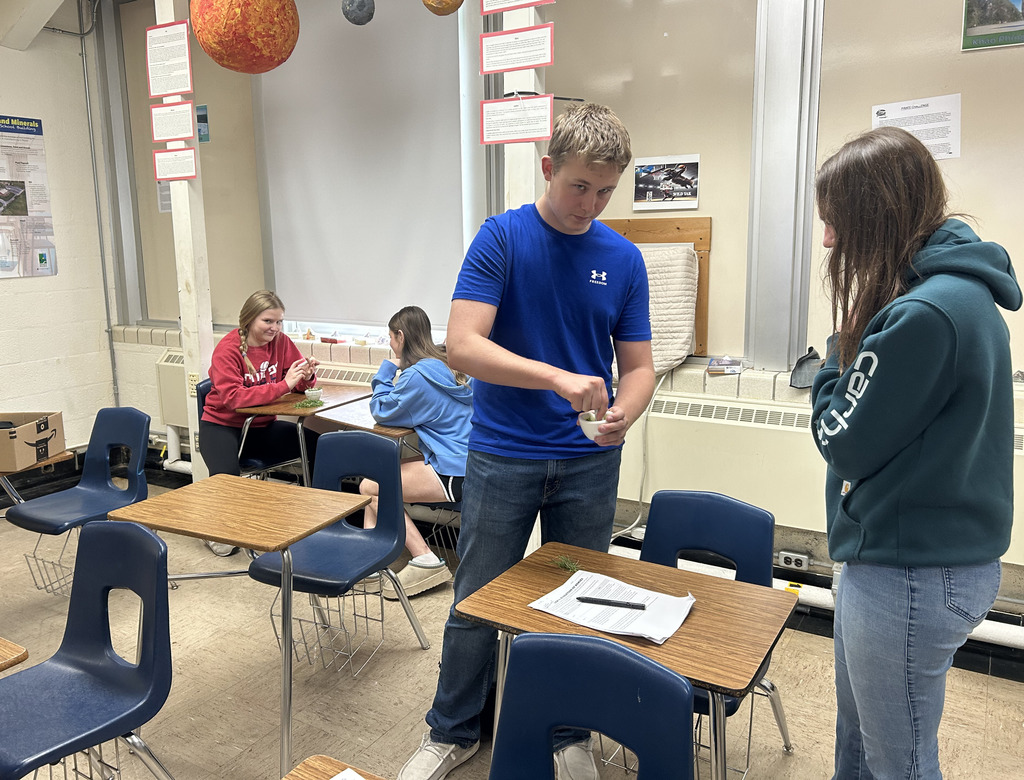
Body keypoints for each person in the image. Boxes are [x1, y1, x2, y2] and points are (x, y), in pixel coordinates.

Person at [398, 103, 655, 780]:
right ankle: (452, 730)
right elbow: (462, 345)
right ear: (548, 169)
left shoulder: (623, 259)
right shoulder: (503, 239)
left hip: (589, 462)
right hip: (503, 452)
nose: (590, 204)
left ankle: (567, 732)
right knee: (477, 599)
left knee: (581, 600)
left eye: (605, 191)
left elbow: (640, 365)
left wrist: (626, 409)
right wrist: (556, 378)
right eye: (579, 187)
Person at [810, 126, 1020, 779]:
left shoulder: (924, 313)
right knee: (860, 741)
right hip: (917, 561)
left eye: (835, 223)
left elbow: (840, 441)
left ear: (873, 217)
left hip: (907, 573)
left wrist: (834, 359)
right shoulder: (954, 293)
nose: (827, 241)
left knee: (898, 762)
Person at [359, 305, 473, 599]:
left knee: (371, 487)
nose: (390, 344)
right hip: (469, 461)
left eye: (390, 337)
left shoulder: (417, 377)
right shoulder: (445, 364)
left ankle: (425, 559)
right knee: (376, 478)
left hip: (452, 470)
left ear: (400, 336)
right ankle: (371, 566)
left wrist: (386, 370)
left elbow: (382, 410)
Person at [200, 290, 320, 555]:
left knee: (321, 447)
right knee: (227, 480)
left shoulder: (281, 342)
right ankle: (214, 529)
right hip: (222, 426)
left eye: (279, 322)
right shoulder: (227, 349)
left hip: (261, 427)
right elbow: (234, 399)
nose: (274, 328)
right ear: (249, 320)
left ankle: (323, 521)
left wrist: (306, 376)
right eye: (268, 321)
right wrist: (283, 385)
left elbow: (297, 385)